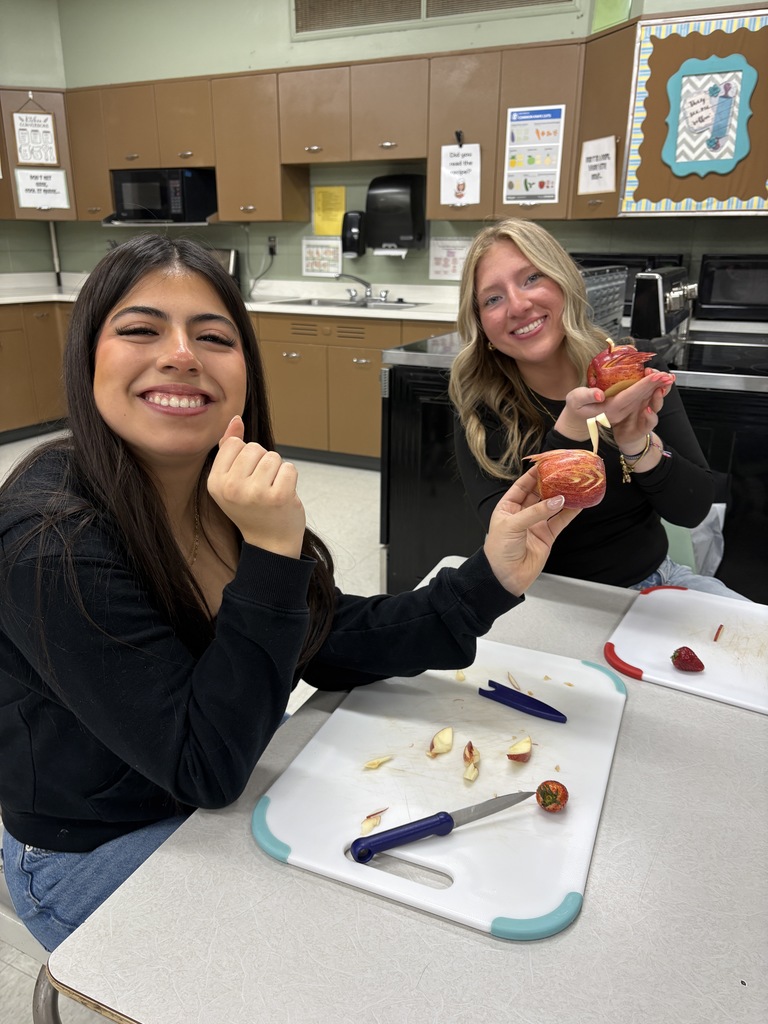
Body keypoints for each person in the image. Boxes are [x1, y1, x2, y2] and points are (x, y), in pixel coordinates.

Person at [0, 234, 580, 952]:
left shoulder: (222, 490)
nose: (181, 353)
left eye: (213, 336)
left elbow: (322, 636)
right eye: (142, 329)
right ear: (88, 355)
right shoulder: (47, 541)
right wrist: (272, 553)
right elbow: (206, 765)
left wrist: (485, 582)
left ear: (245, 371)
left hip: (213, 799)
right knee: (343, 943)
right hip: (92, 849)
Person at [449, 218, 748, 600]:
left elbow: (692, 509)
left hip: (651, 586)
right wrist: (570, 431)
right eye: (493, 298)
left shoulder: (632, 368)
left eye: (531, 279)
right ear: (480, 324)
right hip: (537, 596)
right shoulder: (479, 405)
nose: (518, 305)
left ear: (564, 283)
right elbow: (513, 537)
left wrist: (638, 445)